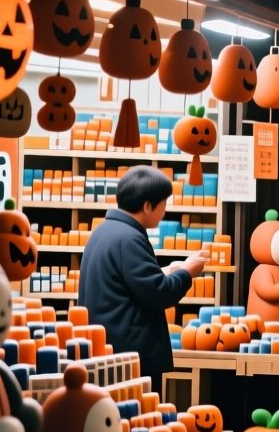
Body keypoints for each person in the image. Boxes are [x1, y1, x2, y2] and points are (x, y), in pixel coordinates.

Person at [80, 166, 208, 391]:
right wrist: (187, 272)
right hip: (129, 361)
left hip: (108, 354)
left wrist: (167, 270)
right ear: (148, 205)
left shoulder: (104, 232)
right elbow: (159, 293)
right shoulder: (129, 239)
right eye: (163, 204)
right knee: (137, 421)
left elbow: (131, 283)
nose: (165, 212)